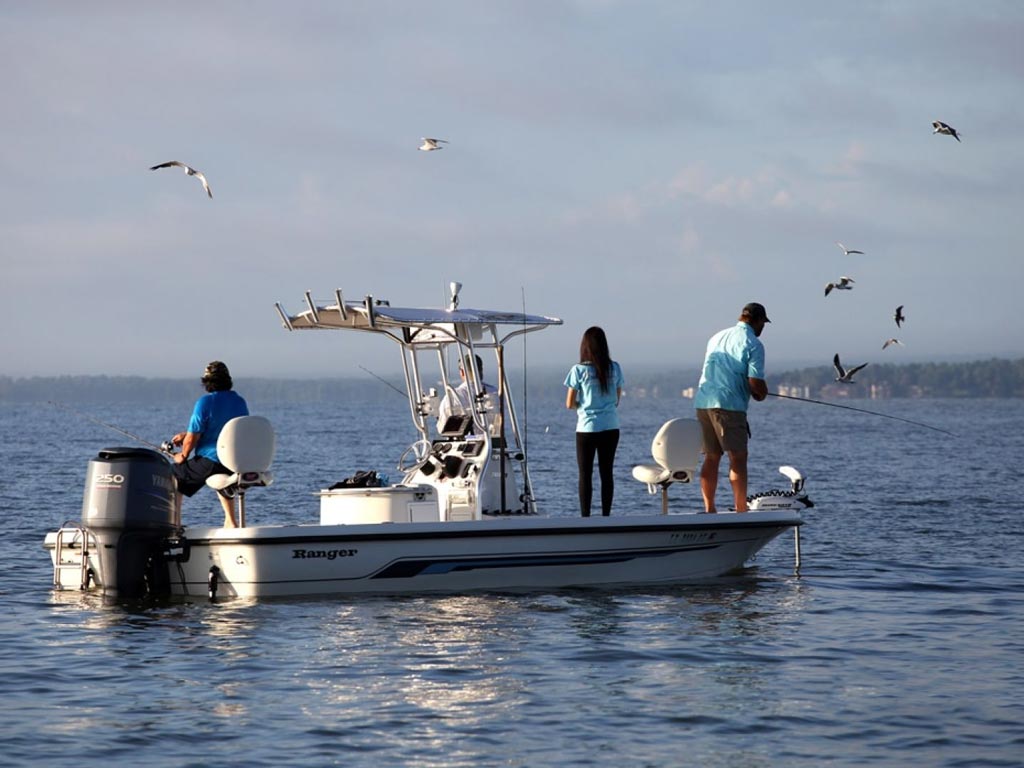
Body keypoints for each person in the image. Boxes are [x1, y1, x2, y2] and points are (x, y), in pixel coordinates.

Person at [694, 302, 770, 513]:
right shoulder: (753, 344)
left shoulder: (716, 337)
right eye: (763, 323)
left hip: (703, 402)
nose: (763, 328)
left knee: (712, 456)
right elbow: (755, 383)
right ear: (757, 321)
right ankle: (740, 509)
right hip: (729, 405)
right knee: (738, 456)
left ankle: (710, 509)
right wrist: (761, 393)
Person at [170, 361, 249, 528]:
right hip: (234, 462)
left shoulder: (205, 402)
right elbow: (226, 429)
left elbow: (192, 438)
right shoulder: (239, 401)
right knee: (222, 479)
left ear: (207, 382)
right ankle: (231, 521)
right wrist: (186, 435)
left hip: (213, 461)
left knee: (174, 474)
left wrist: (182, 456)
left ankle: (174, 525)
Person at [564, 326, 624, 517]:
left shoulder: (578, 370)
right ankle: (606, 515)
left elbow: (569, 403)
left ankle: (586, 517)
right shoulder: (614, 368)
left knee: (585, 475)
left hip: (587, 428)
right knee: (607, 473)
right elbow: (617, 399)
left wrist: (582, 405)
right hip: (611, 426)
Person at [437, 354, 499, 434]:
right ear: (481, 370)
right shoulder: (495, 392)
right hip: (494, 442)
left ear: (462, 372)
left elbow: (442, 428)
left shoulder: (452, 396)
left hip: (468, 444)